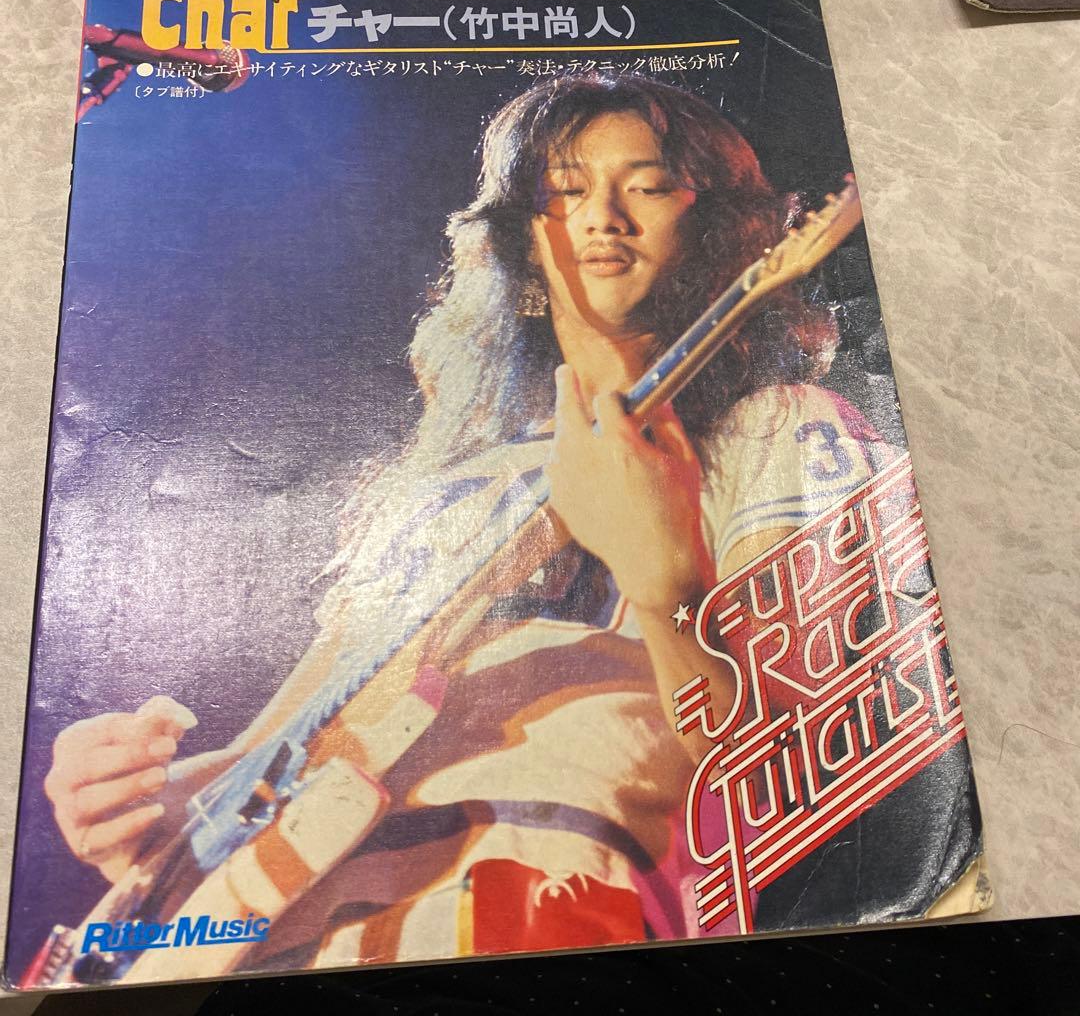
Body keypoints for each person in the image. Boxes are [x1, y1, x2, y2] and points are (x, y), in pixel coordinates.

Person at [42, 74, 886, 971]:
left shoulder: (783, 430)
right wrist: (149, 800)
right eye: (564, 191)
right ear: (522, 240)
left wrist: (660, 584)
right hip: (258, 935)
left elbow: (787, 771)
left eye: (646, 185)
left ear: (715, 230)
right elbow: (295, 736)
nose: (603, 217)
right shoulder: (445, 484)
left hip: (512, 916)